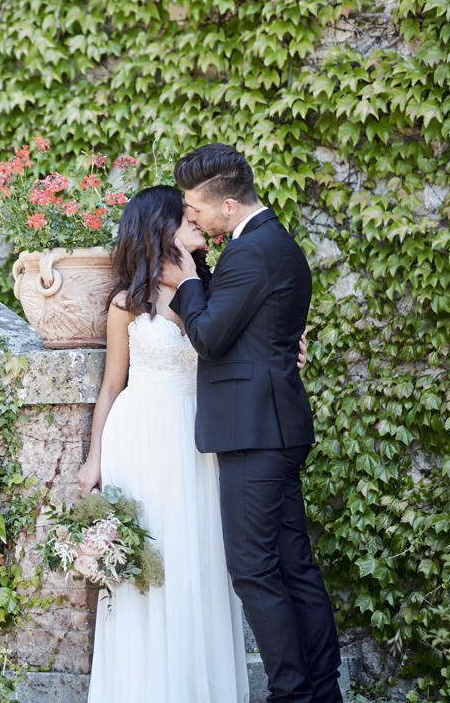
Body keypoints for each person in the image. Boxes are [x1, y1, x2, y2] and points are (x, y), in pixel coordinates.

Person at [161, 143, 343, 703]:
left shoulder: (252, 252)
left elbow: (212, 337)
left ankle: (291, 693)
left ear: (230, 204)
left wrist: (187, 279)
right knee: (293, 566)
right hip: (275, 427)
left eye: (195, 206)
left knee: (254, 569)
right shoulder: (270, 243)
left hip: (253, 433)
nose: (191, 216)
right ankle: (320, 691)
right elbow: (251, 324)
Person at [77, 185, 250, 702]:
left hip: (197, 442)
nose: (197, 219)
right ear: (162, 226)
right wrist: (93, 461)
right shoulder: (125, 303)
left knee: (197, 566)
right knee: (145, 570)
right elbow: (111, 386)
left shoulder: (216, 292)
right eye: (186, 215)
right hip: (141, 437)